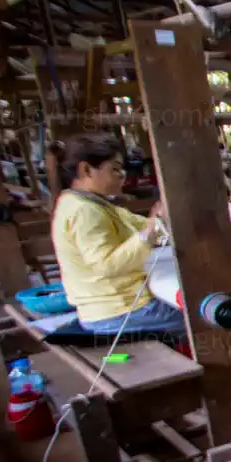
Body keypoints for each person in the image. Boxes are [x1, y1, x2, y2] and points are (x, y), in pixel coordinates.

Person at [51, 133, 184, 335]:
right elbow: (106, 265)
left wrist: (161, 221)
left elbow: (146, 224)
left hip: (116, 308)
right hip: (118, 313)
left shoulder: (94, 205)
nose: (122, 175)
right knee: (209, 317)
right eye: (114, 169)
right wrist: (149, 232)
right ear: (86, 170)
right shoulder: (84, 211)